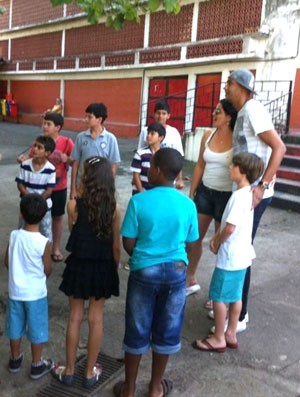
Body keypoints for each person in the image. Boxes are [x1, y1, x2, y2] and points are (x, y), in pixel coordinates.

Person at [115, 148, 199, 397]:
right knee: (167, 329)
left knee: (137, 328)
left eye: (150, 167)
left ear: (159, 170)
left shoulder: (139, 201)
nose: (147, 170)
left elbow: (128, 242)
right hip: (176, 272)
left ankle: (128, 388)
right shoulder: (187, 204)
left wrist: (143, 253)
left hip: (144, 271)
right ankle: (154, 387)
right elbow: (191, 242)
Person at [223, 69, 286, 332]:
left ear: (242, 87)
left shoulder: (253, 109)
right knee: (239, 248)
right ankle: (233, 309)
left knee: (240, 251)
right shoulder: (243, 113)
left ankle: (240, 315)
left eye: (229, 83)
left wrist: (261, 186)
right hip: (245, 191)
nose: (225, 88)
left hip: (255, 194)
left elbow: (279, 146)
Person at [52, 156, 120, 388]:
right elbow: (116, 246)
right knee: (96, 318)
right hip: (102, 266)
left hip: (79, 264)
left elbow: (73, 229)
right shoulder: (114, 208)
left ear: (86, 178)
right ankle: (90, 372)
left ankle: (69, 370)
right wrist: (115, 267)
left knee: (75, 317)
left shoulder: (74, 205)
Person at [192, 153, 264, 353]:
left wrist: (216, 241)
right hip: (243, 256)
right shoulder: (248, 194)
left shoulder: (239, 196)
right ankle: (230, 332)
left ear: (242, 172)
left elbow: (230, 228)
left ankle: (218, 338)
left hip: (230, 256)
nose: (230, 167)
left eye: (234, 165)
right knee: (235, 296)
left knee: (219, 297)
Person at [186, 99, 238, 301]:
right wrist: (192, 192)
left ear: (229, 117)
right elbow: (199, 165)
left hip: (226, 196)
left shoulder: (237, 139)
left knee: (220, 243)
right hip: (205, 192)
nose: (214, 114)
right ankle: (190, 279)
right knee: (193, 238)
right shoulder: (208, 135)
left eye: (219, 111)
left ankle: (217, 295)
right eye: (214, 110)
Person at [4, 193, 54, 379]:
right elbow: (47, 269)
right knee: (36, 329)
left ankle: (15, 360)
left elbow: (7, 262)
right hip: (36, 294)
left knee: (15, 326)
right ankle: (36, 364)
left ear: (21, 214)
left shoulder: (14, 235)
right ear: (43, 217)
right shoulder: (43, 242)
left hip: (16, 292)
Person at [18, 112, 74, 262]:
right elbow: (31, 158)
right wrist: (22, 160)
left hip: (58, 187)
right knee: (32, 218)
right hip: (37, 189)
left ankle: (54, 248)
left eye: (48, 124)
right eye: (44, 123)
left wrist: (66, 159)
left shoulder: (67, 142)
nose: (45, 126)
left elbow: (74, 161)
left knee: (56, 217)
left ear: (58, 127)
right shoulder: (38, 143)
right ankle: (32, 248)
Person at [70, 102, 121, 199]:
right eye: (85, 116)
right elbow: (75, 163)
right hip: (83, 186)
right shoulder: (81, 137)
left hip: (101, 187)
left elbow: (113, 166)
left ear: (99, 119)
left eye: (89, 117)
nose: (86, 120)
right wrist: (73, 189)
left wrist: (110, 188)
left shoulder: (110, 139)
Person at [16, 136, 56, 241]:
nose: (35, 149)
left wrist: (37, 202)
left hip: (44, 205)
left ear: (47, 153)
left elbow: (49, 190)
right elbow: (20, 184)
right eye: (35, 146)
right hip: (26, 204)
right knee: (22, 228)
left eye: (39, 147)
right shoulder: (25, 165)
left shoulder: (51, 169)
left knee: (45, 230)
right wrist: (29, 199)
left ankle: (46, 254)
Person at [138, 101, 185, 189]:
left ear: (168, 115)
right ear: (154, 114)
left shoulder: (174, 132)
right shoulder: (145, 131)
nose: (160, 116)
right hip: (148, 177)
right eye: (158, 113)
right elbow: (139, 154)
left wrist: (179, 179)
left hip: (168, 180)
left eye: (164, 113)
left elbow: (178, 158)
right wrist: (136, 176)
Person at [131, 122, 166, 194]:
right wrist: (141, 193)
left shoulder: (165, 155)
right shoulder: (140, 153)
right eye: (148, 133)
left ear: (161, 137)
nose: (148, 136)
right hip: (140, 192)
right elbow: (136, 175)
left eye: (152, 134)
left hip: (157, 194)